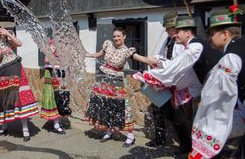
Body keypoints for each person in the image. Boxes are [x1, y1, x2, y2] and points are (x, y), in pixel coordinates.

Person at [134, 15, 221, 155]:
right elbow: (165, 59)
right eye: (169, 29)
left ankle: (190, 146)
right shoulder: (171, 41)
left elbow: (177, 66)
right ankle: (166, 138)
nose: (170, 32)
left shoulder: (192, 46)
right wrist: (155, 62)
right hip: (174, 82)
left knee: (187, 118)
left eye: (172, 29)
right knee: (165, 111)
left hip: (185, 85)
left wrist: (154, 76)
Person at [85, 27, 157, 147]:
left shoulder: (126, 51)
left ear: (124, 37)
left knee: (122, 108)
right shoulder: (108, 45)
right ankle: (109, 130)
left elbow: (138, 57)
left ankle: (130, 135)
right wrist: (86, 54)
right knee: (105, 105)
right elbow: (98, 54)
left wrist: (148, 61)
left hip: (117, 82)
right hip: (104, 80)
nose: (116, 38)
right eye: (114, 36)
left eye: (118, 36)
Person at [189, 6, 245, 159]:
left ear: (225, 34)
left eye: (212, 34)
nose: (209, 39)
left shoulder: (230, 57)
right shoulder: (241, 46)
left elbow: (217, 92)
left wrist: (204, 106)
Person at [0, 26, 39, 142]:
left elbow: (19, 44)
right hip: (3, 70)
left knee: (18, 97)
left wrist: (8, 34)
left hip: (15, 67)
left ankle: (25, 129)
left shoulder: (7, 39)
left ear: (0, 35)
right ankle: (4, 125)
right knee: (2, 98)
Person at [145, 11, 185, 147]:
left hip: (177, 83)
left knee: (178, 115)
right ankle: (160, 137)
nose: (166, 30)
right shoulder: (168, 39)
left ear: (175, 27)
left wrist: (160, 63)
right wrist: (154, 59)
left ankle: (185, 144)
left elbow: (176, 63)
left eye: (168, 28)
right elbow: (162, 54)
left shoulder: (181, 42)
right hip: (165, 80)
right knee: (157, 108)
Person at [40, 39, 72, 135]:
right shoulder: (52, 43)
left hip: (62, 73)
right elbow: (46, 59)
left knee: (61, 98)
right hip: (52, 73)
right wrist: (59, 61)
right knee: (54, 98)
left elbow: (68, 61)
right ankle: (56, 124)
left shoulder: (65, 45)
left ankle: (57, 122)